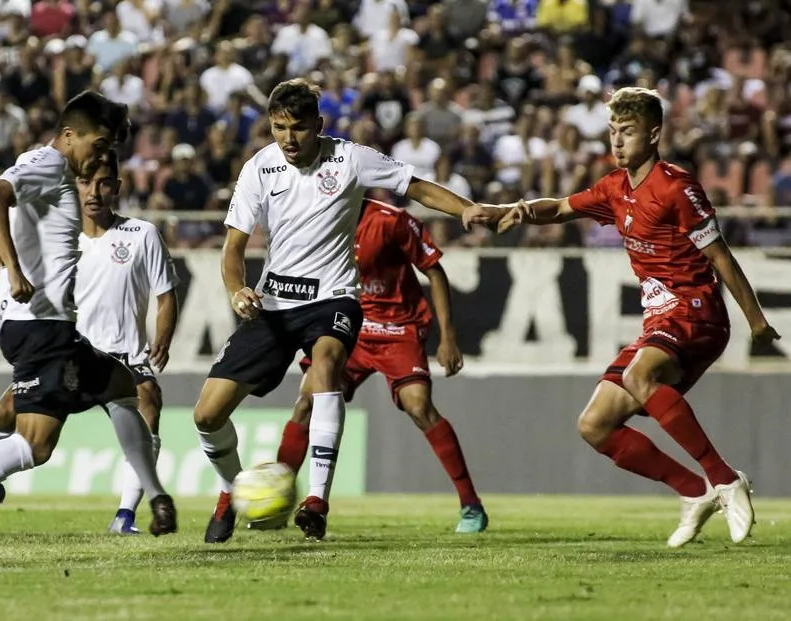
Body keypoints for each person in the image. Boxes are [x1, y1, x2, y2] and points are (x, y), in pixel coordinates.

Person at [195, 78, 492, 543]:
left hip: (333, 299)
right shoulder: (259, 168)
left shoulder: (350, 157)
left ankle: (316, 501)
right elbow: (233, 248)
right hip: (274, 302)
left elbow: (415, 186)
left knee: (328, 366)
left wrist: (466, 209)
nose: (288, 139)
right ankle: (232, 494)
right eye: (278, 128)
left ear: (319, 124)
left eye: (297, 128)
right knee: (207, 415)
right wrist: (237, 290)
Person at [0, 92, 177, 556]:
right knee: (35, 445)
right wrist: (15, 272)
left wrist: (12, 273)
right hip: (41, 326)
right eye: (98, 145)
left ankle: (151, 497)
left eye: (108, 150)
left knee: (126, 387)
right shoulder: (50, 165)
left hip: (47, 326)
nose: (101, 156)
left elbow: (8, 214)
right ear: (68, 136)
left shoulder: (41, 168)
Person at [495, 87, 780, 547]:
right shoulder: (614, 187)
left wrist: (757, 320)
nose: (617, 141)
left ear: (654, 133)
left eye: (626, 132)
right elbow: (564, 208)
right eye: (612, 132)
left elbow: (721, 256)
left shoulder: (676, 187)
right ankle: (694, 492)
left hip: (697, 312)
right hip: (659, 323)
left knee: (640, 374)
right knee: (594, 425)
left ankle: (726, 481)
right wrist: (520, 210)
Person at [0, 149, 180, 535]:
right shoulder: (54, 227)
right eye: (86, 183)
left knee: (148, 402)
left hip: (123, 354)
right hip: (67, 349)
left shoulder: (141, 234)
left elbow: (166, 294)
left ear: (117, 188)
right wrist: (13, 286)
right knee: (5, 413)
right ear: (73, 186)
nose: (94, 192)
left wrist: (164, 337)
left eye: (104, 183)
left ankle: (126, 514)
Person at [273, 198, 488, 534]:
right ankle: (276, 502)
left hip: (398, 327)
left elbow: (433, 269)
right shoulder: (316, 217)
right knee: (306, 402)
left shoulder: (392, 221)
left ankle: (471, 505)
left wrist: (448, 337)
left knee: (418, 406)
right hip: (349, 325)